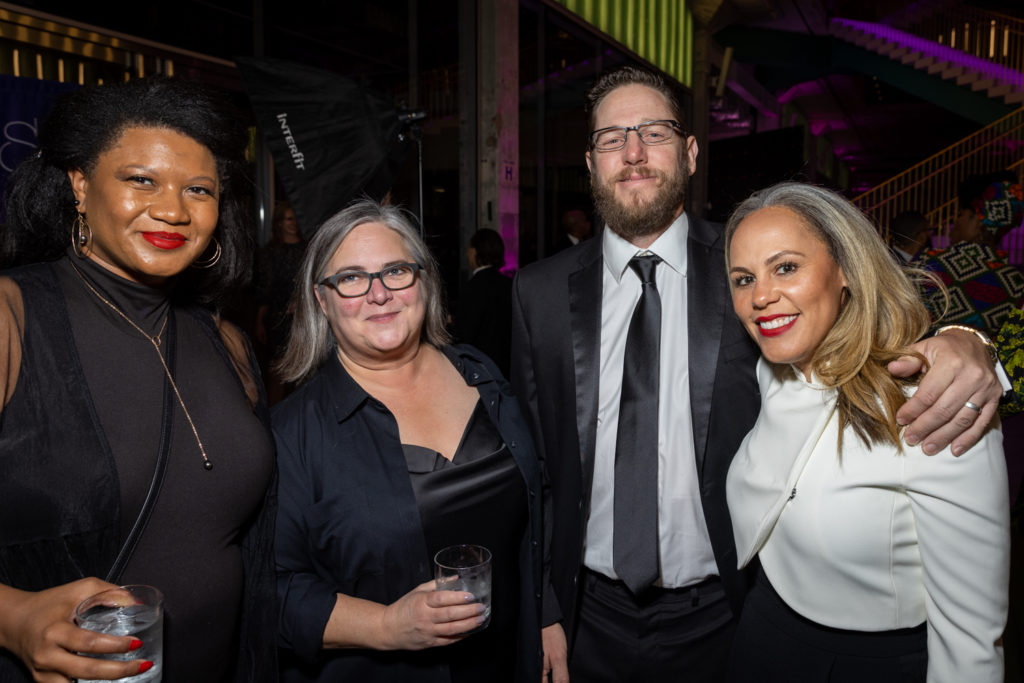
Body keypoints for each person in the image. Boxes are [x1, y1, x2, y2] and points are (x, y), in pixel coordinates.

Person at [510, 65, 1004, 683]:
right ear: (589, 162)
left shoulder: (746, 266)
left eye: (654, 133)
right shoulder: (539, 293)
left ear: (690, 153)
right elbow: (537, 471)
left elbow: (863, 329)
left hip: (729, 611)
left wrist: (969, 343)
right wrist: (545, 608)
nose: (633, 152)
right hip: (589, 614)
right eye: (612, 138)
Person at [0, 76, 277, 682]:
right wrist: (14, 617)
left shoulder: (223, 339)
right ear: (79, 184)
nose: (173, 209)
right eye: (140, 180)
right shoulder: (11, 318)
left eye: (197, 189)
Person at [724, 181, 1008, 682]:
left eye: (785, 267)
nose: (761, 296)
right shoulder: (773, 371)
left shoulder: (931, 403)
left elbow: (971, 640)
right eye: (743, 278)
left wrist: (974, 343)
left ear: (846, 273)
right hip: (761, 634)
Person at [271, 200, 545, 682]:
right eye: (352, 278)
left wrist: (550, 619)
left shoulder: (482, 375)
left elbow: (536, 511)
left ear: (424, 280)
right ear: (322, 299)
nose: (379, 294)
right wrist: (386, 625)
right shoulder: (292, 432)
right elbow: (271, 592)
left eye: (395, 270)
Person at [913, 171, 1024, 337]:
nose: (955, 223)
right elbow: (1013, 348)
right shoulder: (1016, 284)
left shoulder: (930, 261)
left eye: (960, 215)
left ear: (977, 221)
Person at [255, 200, 305, 404]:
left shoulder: (309, 248)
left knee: (304, 374)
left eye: (296, 219)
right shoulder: (270, 253)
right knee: (278, 374)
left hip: (304, 318)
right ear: (279, 223)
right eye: (288, 219)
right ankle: (273, 423)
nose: (293, 223)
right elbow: (263, 292)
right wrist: (258, 321)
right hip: (278, 320)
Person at [455, 228, 513, 376]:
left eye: (469, 249)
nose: (467, 254)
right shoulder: (510, 284)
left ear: (474, 252)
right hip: (509, 367)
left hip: (482, 369)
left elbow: (465, 335)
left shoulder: (472, 288)